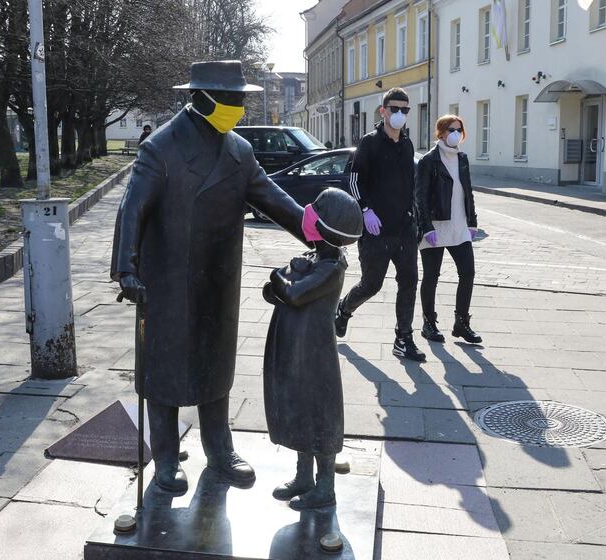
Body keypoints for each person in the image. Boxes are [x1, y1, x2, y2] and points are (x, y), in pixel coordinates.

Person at [111, 61, 307, 495]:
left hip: (217, 277)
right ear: (200, 98)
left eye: (241, 100)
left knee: (215, 364)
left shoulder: (239, 150)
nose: (238, 108)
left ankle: (219, 450)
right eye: (232, 100)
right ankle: (164, 456)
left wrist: (316, 230)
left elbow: (272, 199)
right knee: (164, 369)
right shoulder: (161, 147)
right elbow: (132, 208)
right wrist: (126, 268)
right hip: (167, 276)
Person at [262, 188, 363, 510]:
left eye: (314, 212)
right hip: (294, 350)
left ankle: (325, 487)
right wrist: (280, 283)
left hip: (314, 356)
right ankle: (303, 477)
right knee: (297, 412)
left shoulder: (332, 268)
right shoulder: (315, 259)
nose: (307, 213)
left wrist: (279, 278)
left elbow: (292, 294)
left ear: (322, 228)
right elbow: (277, 293)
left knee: (318, 416)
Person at [334, 87, 425, 361]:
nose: (399, 114)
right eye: (394, 109)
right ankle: (344, 309)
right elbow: (353, 180)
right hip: (375, 232)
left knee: (409, 281)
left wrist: (416, 219)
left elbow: (411, 185)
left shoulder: (407, 144)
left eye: (404, 110)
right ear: (383, 111)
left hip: (404, 230)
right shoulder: (369, 143)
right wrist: (365, 210)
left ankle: (403, 338)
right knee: (371, 285)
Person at [415, 114, 482, 344]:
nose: (456, 133)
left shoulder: (462, 158)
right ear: (441, 132)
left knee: (468, 272)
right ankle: (428, 323)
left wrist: (472, 221)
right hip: (435, 227)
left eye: (459, 130)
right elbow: (420, 197)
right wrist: (425, 227)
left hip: (459, 225)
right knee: (431, 276)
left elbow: (468, 191)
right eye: (452, 129)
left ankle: (461, 322)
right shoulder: (428, 160)